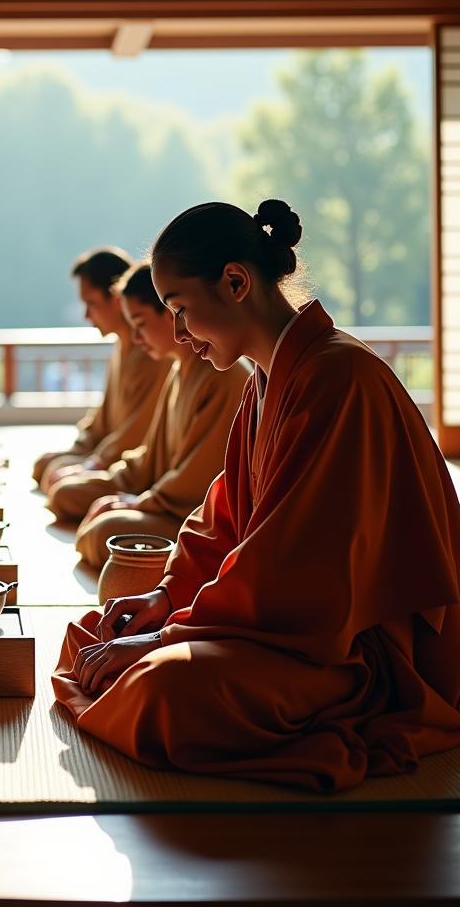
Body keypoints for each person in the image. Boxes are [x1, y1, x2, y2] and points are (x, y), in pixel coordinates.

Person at [54, 199, 460, 792]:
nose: (180, 335)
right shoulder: (268, 380)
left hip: (349, 648)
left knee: (163, 689)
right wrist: (165, 600)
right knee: (99, 632)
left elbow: (294, 569)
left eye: (183, 310)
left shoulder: (340, 378)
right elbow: (223, 516)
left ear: (236, 282)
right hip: (281, 621)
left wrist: (171, 634)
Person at [48, 263, 248, 571]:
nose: (136, 337)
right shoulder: (180, 369)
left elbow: (199, 483)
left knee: (104, 532)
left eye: (140, 324)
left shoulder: (224, 374)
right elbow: (151, 453)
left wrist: (138, 502)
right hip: (163, 501)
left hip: (194, 518)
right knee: (74, 498)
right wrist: (112, 481)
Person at [32, 247, 169, 495]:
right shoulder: (121, 347)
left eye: (91, 303)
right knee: (45, 467)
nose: (86, 315)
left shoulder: (153, 352)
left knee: (61, 487)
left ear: (116, 300)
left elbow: (137, 432)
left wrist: (92, 463)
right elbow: (101, 421)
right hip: (109, 457)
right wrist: (75, 452)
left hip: (128, 466)